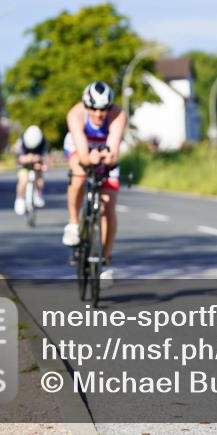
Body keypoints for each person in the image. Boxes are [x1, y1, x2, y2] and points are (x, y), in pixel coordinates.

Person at [62, 81, 126, 284]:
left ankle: (105, 260)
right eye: (95, 109)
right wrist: (91, 158)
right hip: (81, 147)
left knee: (109, 204)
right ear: (87, 106)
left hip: (104, 150)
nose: (99, 114)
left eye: (104, 109)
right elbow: (81, 155)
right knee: (79, 175)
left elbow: (114, 150)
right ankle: (73, 223)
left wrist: (108, 159)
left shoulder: (117, 114)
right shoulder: (75, 114)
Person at [14, 125, 48, 215]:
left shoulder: (43, 142)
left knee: (39, 177)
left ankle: (38, 194)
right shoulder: (21, 142)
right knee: (23, 180)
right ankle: (19, 199)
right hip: (23, 164)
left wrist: (40, 162)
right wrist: (28, 158)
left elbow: (45, 157)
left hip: (37, 163)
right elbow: (19, 158)